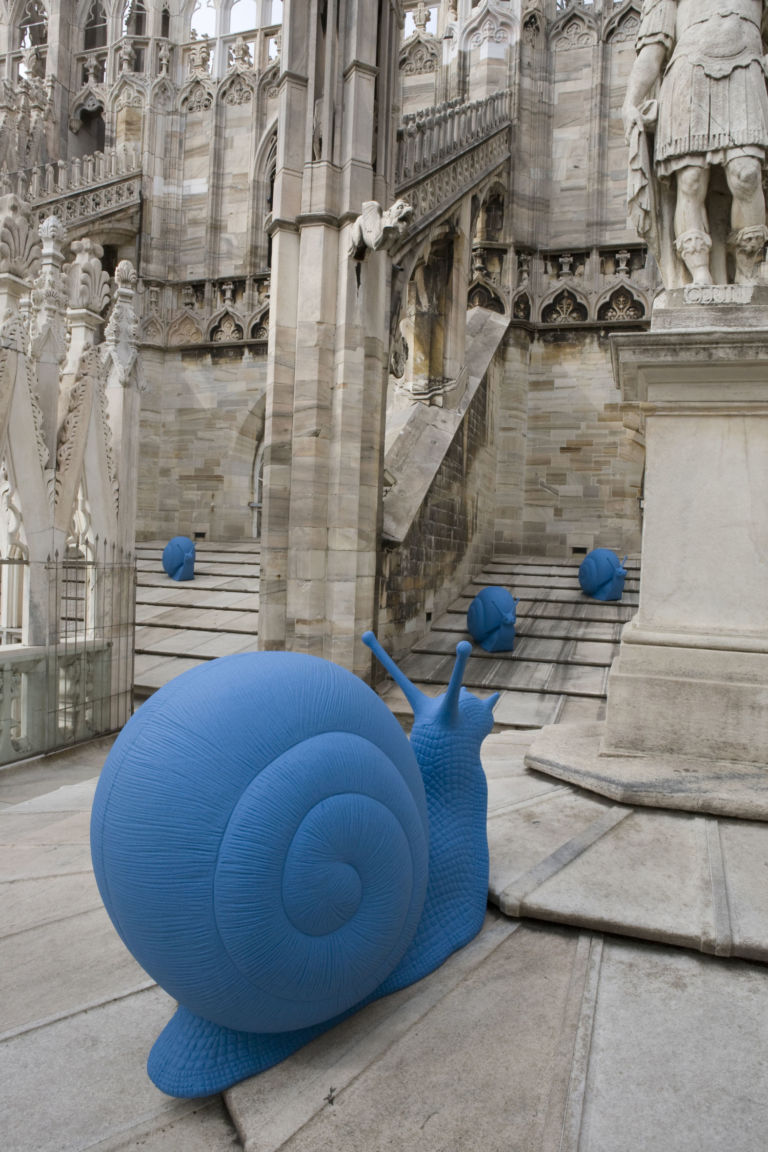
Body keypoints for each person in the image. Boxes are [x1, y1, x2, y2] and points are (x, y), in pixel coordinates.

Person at [623, 0, 768, 287]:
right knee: (689, 181)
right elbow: (653, 51)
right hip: (688, 76)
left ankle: (747, 267)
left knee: (747, 174)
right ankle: (698, 272)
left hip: (746, 72)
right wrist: (630, 102)